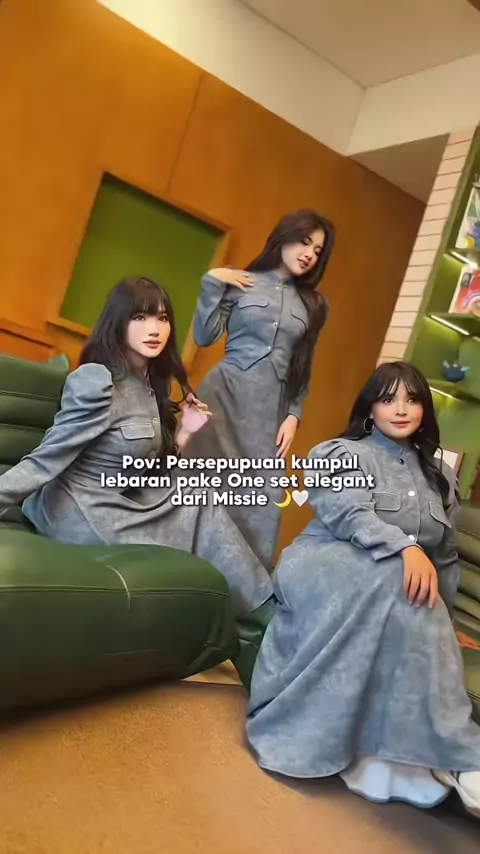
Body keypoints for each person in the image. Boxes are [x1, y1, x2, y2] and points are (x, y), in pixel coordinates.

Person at [245, 360, 480, 818]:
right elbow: (348, 515)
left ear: (425, 410)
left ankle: (401, 759)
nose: (400, 409)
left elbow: (445, 558)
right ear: (370, 408)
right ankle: (465, 755)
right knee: (399, 576)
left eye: (412, 400)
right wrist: (405, 548)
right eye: (388, 399)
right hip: (326, 562)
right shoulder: (340, 453)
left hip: (392, 579)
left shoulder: (441, 477)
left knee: (410, 588)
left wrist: (446, 622)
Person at [0, 277, 273, 618]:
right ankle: (262, 615)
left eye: (162, 318)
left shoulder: (150, 384)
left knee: (198, 497)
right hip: (81, 509)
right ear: (118, 323)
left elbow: (143, 467)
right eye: (140, 317)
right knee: (184, 536)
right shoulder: (96, 381)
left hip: (123, 498)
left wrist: (184, 434)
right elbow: (45, 460)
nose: (154, 329)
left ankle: (263, 610)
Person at [188, 209, 335, 568]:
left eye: (317, 250)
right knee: (197, 485)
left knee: (261, 499)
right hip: (220, 398)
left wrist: (294, 415)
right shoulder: (242, 282)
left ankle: (243, 590)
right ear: (284, 237)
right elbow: (205, 336)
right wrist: (212, 283)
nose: (309, 254)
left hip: (269, 412)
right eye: (304, 242)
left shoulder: (315, 306)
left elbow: (304, 367)